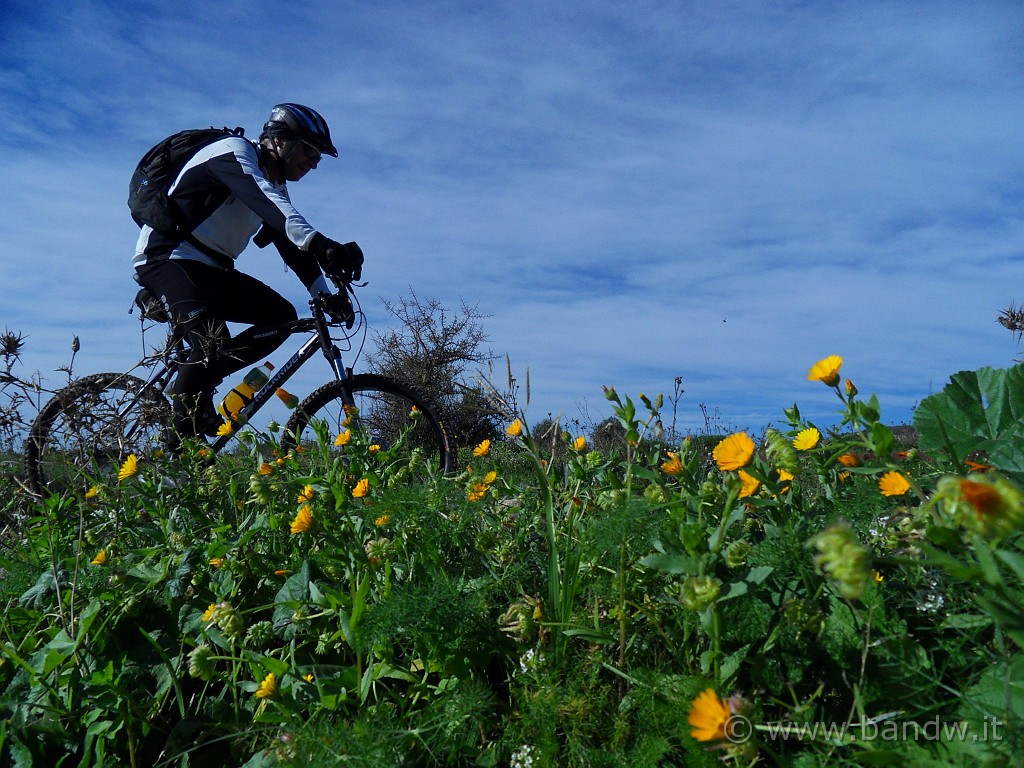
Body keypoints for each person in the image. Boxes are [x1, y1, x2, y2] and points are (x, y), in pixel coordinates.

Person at [132, 103, 363, 448]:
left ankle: (197, 383)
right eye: (309, 151)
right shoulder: (233, 153)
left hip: (214, 270)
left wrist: (322, 293)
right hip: (169, 257)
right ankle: (175, 463)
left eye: (318, 157)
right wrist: (322, 244)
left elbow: (289, 242)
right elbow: (268, 203)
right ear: (280, 141)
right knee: (209, 342)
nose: (314, 162)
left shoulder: (275, 183)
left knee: (281, 317)